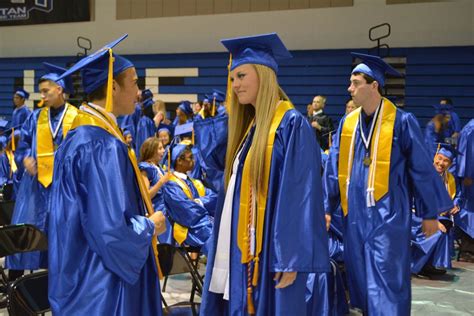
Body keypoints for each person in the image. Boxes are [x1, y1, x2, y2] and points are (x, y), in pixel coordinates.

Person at [201, 33, 329, 316]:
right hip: (242, 247)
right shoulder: (251, 128)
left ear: (264, 74)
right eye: (232, 78)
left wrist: (290, 258)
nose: (235, 85)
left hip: (272, 252)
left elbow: (301, 194)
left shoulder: (290, 125)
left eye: (242, 76)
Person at [324, 52, 453, 315]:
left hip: (389, 217)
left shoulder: (402, 122)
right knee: (361, 280)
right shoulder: (348, 123)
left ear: (374, 85)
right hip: (355, 216)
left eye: (356, 82)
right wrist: (327, 206)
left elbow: (420, 169)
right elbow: (333, 169)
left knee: (387, 282)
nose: (350, 88)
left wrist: (429, 213)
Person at [48, 35, 165, 315]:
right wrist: (151, 225)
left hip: (79, 275)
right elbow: (110, 229)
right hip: (103, 285)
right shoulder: (101, 145)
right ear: (113, 86)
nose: (139, 92)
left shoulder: (79, 136)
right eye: (135, 82)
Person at [5, 62, 79, 280]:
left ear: (60, 89)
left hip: (64, 187)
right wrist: (25, 157)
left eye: (46, 91)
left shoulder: (76, 117)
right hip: (35, 187)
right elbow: (23, 142)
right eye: (41, 92)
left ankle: (56, 290)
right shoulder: (36, 117)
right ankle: (16, 291)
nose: (43, 96)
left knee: (59, 238)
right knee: (26, 234)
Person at [411, 144, 462, 276]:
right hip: (414, 217)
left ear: (450, 164)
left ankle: (428, 264)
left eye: (446, 161)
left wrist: (454, 205)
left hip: (432, 216)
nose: (441, 163)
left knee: (445, 225)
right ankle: (416, 266)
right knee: (437, 231)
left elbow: (456, 196)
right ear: (434, 157)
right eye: (440, 158)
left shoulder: (448, 179)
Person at [163, 143, 216, 253]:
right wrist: (206, 212)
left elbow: (214, 197)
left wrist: (199, 202)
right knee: (215, 234)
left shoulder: (195, 182)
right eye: (190, 158)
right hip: (188, 229)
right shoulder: (171, 185)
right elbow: (187, 211)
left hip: (203, 223)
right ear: (179, 161)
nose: (194, 160)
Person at [139, 137, 172, 244]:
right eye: (160, 148)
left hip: (166, 213)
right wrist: (161, 182)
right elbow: (146, 195)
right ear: (152, 150)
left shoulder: (158, 168)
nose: (163, 151)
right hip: (156, 213)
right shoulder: (146, 169)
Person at [454, 119, 474, 261]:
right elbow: (465, 153)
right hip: (470, 177)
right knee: (469, 210)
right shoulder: (471, 128)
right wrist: (465, 174)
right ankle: (468, 250)